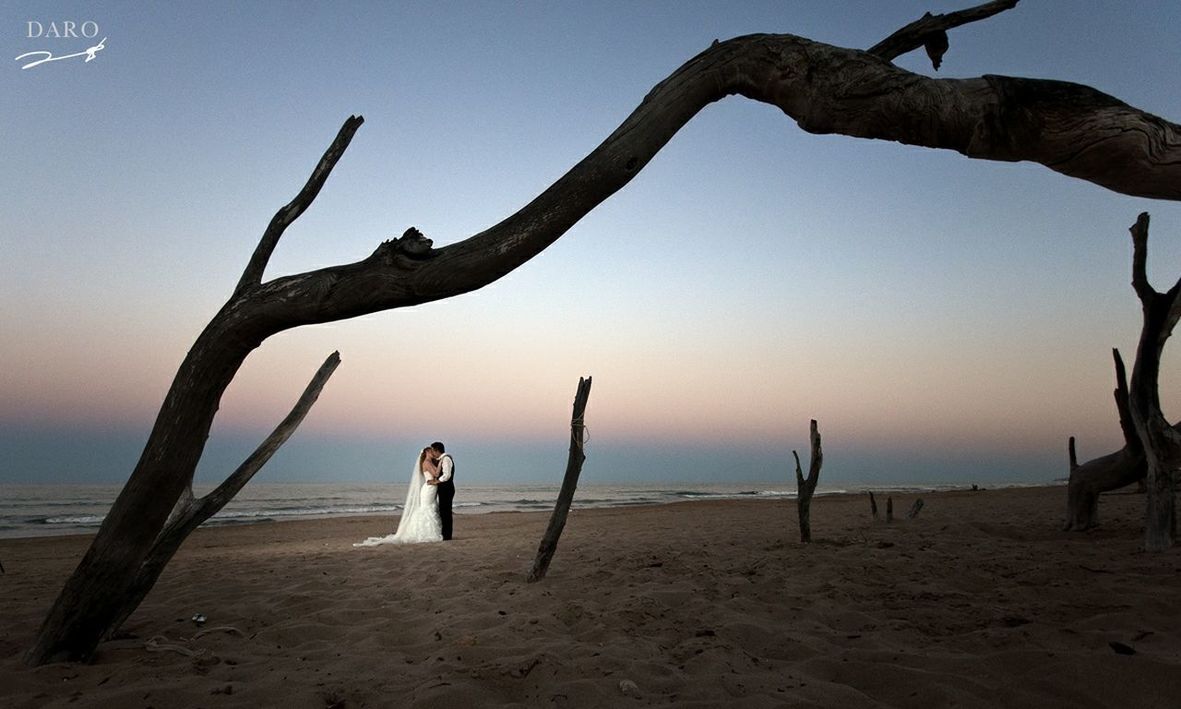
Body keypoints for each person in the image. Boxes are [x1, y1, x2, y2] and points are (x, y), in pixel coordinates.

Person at [353, 446, 443, 546]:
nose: (433, 453)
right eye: (431, 451)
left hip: (431, 487)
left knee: (430, 507)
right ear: (427, 452)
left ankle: (428, 531)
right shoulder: (427, 462)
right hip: (429, 489)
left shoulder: (429, 462)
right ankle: (426, 532)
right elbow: (436, 473)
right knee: (426, 508)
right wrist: (442, 462)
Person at [429, 441, 456, 540]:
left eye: (433, 450)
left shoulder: (446, 459)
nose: (432, 453)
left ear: (437, 450)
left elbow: (447, 475)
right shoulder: (442, 459)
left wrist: (436, 481)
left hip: (447, 488)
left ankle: (447, 535)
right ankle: (445, 534)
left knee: (446, 512)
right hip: (444, 488)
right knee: (443, 511)